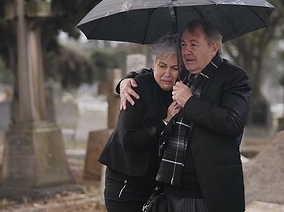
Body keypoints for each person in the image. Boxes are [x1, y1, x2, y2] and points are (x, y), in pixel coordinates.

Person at [118, 19, 252, 212]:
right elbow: (154, 72)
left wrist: (189, 102)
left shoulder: (234, 77)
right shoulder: (183, 74)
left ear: (213, 48)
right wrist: (126, 81)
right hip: (170, 188)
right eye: (183, 44)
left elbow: (232, 122)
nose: (186, 51)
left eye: (194, 44)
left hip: (206, 191)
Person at [98, 35, 181, 212]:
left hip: (154, 184)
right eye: (162, 66)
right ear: (154, 63)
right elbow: (127, 139)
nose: (167, 73)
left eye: (174, 68)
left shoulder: (179, 89)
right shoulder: (136, 88)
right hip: (125, 182)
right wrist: (164, 122)